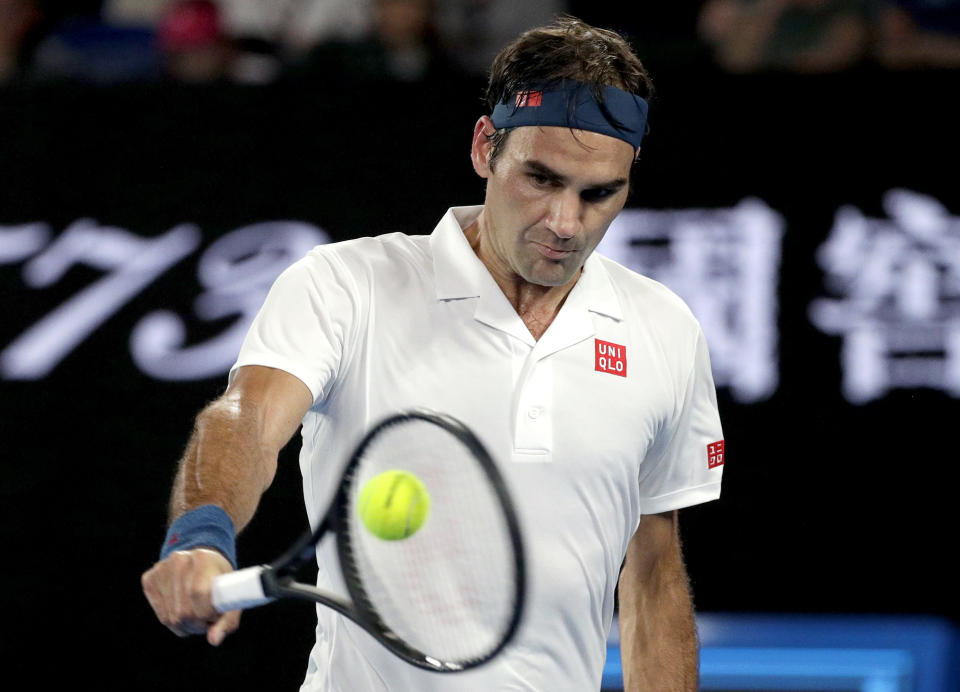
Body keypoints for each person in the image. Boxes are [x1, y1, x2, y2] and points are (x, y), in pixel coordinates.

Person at [141, 16, 724, 692]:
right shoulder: (345, 285)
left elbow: (652, 575)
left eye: (599, 194)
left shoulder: (665, 329)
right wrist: (201, 534)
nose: (566, 223)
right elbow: (246, 419)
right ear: (485, 148)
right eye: (540, 179)